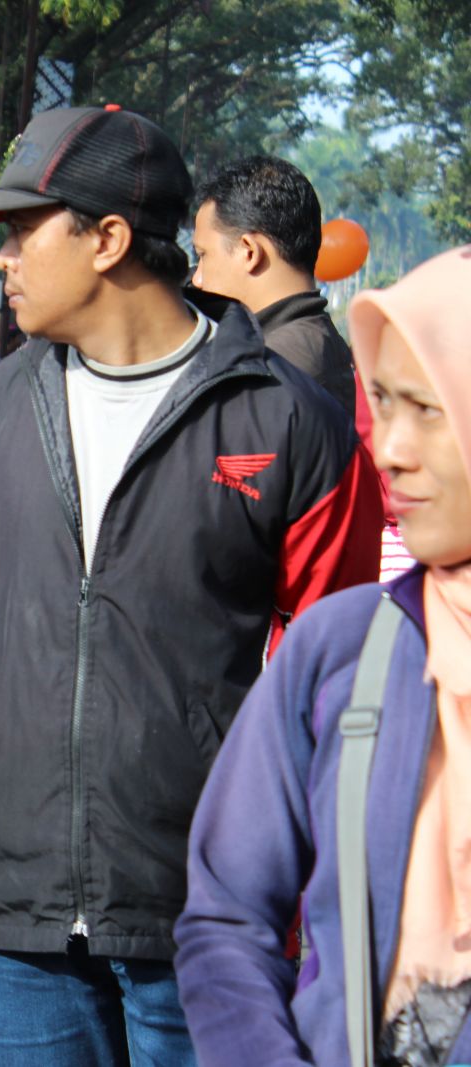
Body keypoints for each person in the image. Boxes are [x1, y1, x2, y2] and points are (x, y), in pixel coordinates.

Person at [0, 105, 384, 1065]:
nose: (3, 260)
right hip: (16, 909)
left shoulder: (291, 421)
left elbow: (336, 688)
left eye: (21, 230)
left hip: (209, 920)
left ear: (107, 239)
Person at [175, 246, 471, 1067]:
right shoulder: (345, 648)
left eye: (431, 409)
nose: (390, 451)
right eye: (383, 406)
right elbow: (227, 914)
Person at [191, 155, 356, 419]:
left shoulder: (273, 365)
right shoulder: (308, 340)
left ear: (249, 252)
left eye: (203, 255)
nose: (197, 279)